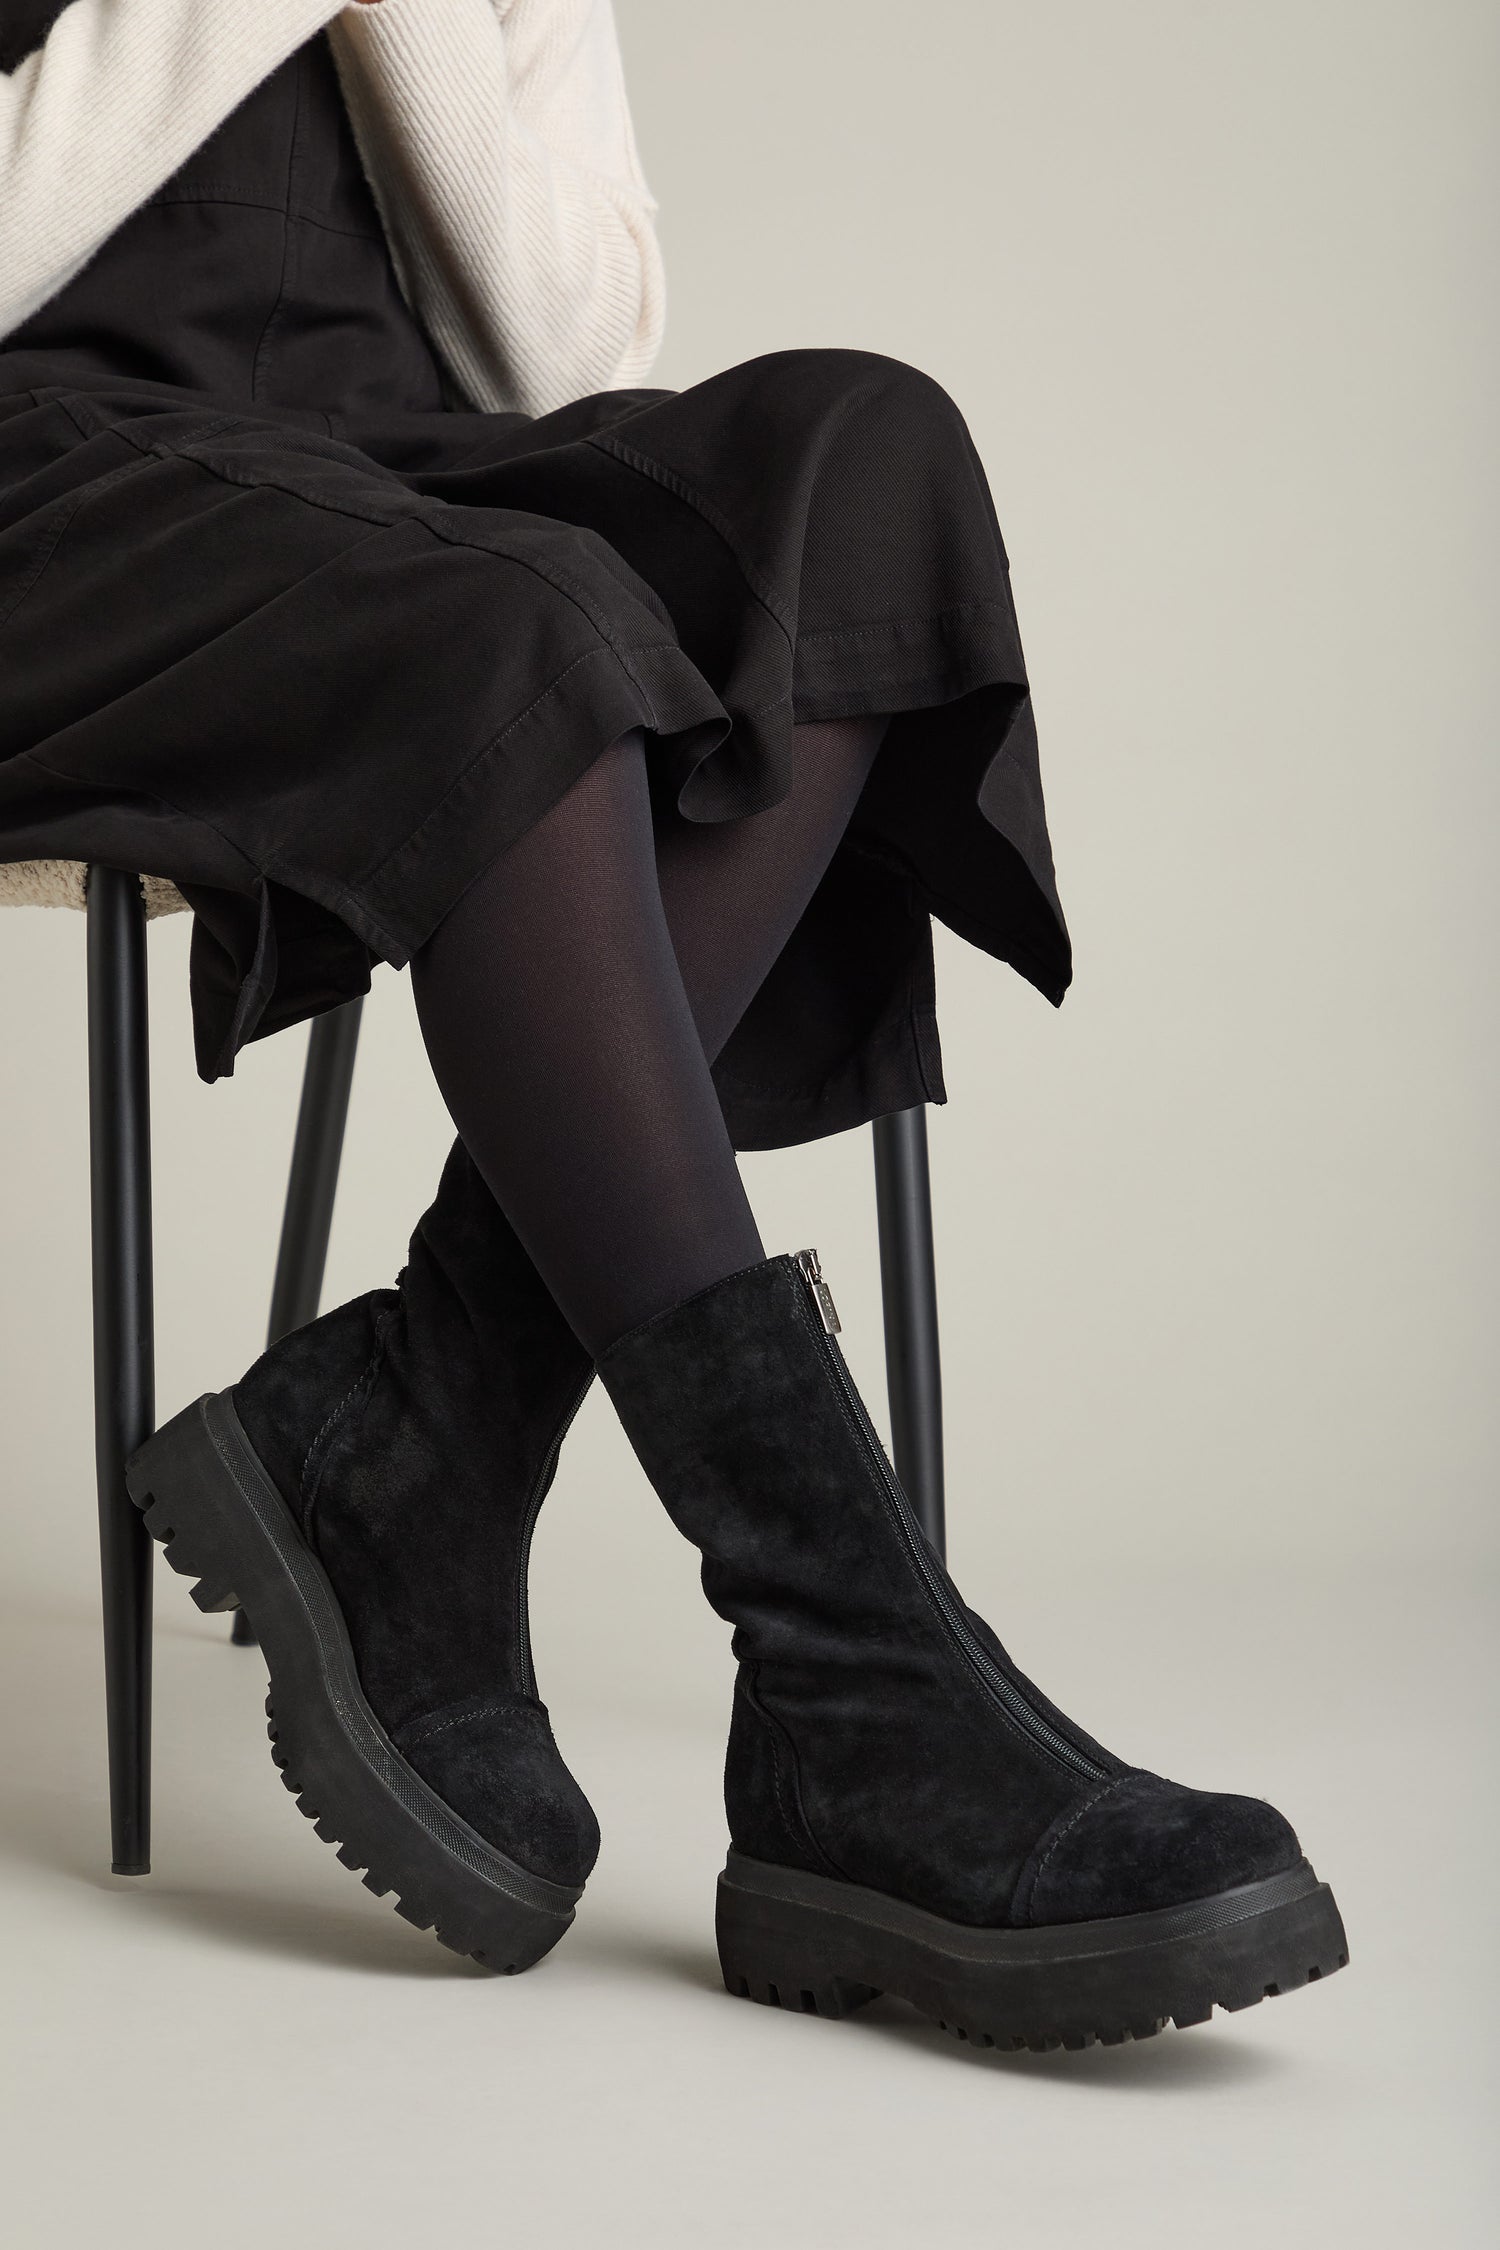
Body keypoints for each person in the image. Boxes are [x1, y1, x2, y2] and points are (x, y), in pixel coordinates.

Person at [0, 2, 1345, 2050]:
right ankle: (847, 1675)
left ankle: (431, 1422)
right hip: (44, 494)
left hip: (375, 490)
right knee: (521, 627)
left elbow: (577, 356)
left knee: (859, 478)